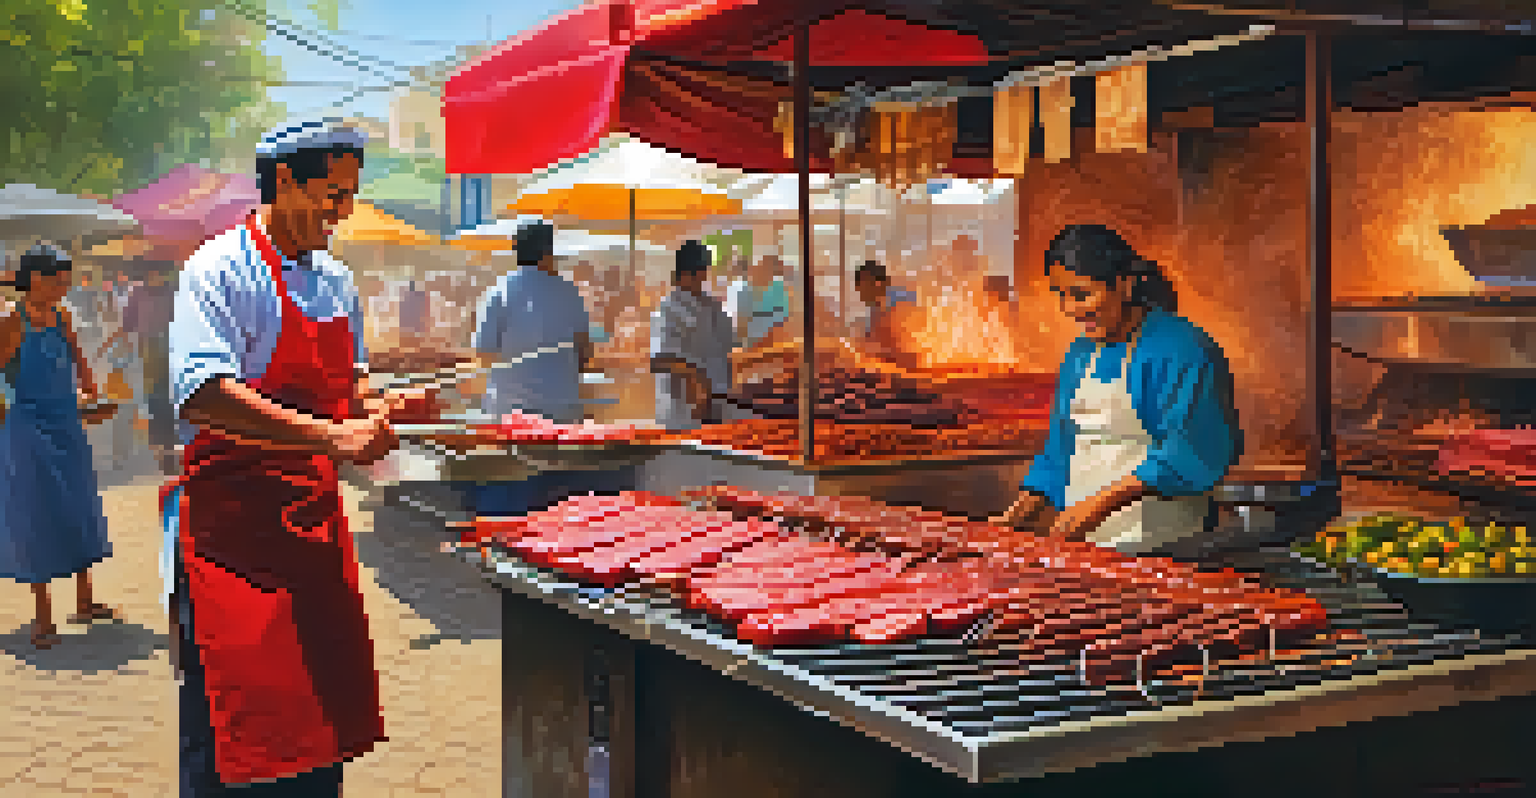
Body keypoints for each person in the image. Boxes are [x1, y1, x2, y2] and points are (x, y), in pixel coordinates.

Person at [162, 119, 411, 797]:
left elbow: (349, 384)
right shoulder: (216, 269)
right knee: (233, 736)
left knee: (315, 737)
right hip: (232, 541)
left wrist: (382, 406)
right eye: (330, 193)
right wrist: (332, 438)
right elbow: (203, 393)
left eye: (349, 194)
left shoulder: (334, 279)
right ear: (282, 182)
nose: (342, 211)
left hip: (311, 534)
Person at [990, 224, 1242, 558]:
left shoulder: (1181, 348)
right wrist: (1011, 520)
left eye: (1081, 295)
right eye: (1061, 295)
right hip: (1089, 546)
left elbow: (1192, 450)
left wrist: (1099, 505)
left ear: (1124, 286)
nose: (1069, 309)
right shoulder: (1080, 354)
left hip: (1165, 546)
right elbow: (1060, 452)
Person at [0, 244, 118, 650]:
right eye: (57, 277)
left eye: (66, 278)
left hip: (66, 422)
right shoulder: (11, 322)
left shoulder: (61, 315)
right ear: (33, 279)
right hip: (27, 428)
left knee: (78, 504)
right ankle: (43, 615)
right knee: (37, 514)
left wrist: (92, 397)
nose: (64, 285)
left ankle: (84, 601)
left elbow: (79, 363)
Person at [651, 240, 734, 430]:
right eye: (697, 272)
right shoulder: (669, 309)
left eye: (703, 271)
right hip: (682, 412)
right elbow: (660, 359)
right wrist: (696, 378)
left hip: (718, 405)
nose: (702, 277)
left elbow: (729, 348)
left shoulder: (713, 306)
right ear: (684, 274)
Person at [728, 255, 792, 349]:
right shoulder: (745, 291)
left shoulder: (779, 288)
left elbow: (785, 319)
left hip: (777, 342)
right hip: (755, 344)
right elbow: (742, 325)